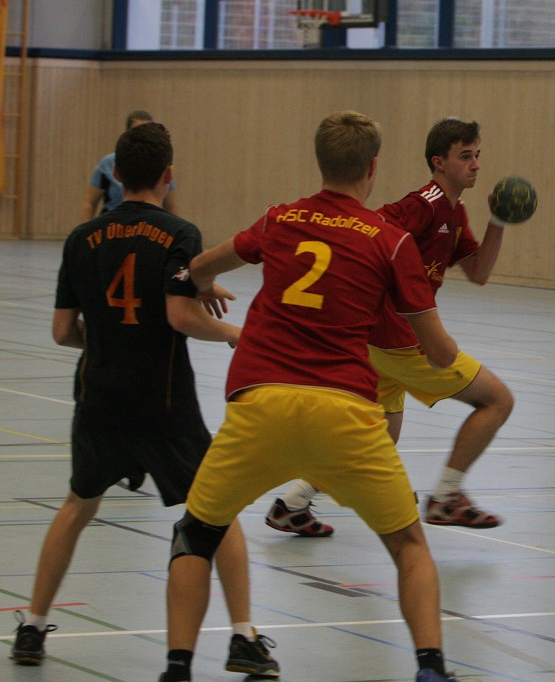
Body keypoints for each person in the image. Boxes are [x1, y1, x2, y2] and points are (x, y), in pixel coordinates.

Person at [162, 111, 460, 682]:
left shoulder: (280, 220)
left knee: (195, 535)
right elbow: (439, 351)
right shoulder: (391, 240)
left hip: (262, 403)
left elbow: (200, 267)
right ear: (373, 167)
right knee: (407, 544)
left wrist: (195, 284)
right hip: (345, 413)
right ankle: (432, 669)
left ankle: (176, 670)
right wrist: (444, 358)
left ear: (321, 163)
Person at [11, 122, 276, 679]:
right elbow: (180, 316)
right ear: (167, 174)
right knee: (216, 512)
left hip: (99, 397)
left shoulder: (81, 238)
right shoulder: (179, 232)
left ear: (115, 174)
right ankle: (244, 637)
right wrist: (233, 334)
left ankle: (32, 626)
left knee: (77, 504)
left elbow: (63, 332)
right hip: (163, 403)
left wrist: (110, 336)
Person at [266, 118, 514, 535]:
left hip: (380, 342)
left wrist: (499, 221)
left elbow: (478, 272)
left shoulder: (454, 210)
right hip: (402, 342)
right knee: (497, 401)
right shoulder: (424, 203)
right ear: (439, 162)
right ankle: (448, 496)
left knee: (378, 438)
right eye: (465, 157)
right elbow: (371, 228)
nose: (475, 165)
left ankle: (292, 504)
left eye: (477, 156)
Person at [83, 110, 178, 221]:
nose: (143, 138)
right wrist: (85, 230)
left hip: (150, 226)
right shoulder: (107, 163)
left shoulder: (161, 163)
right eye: (137, 132)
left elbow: (171, 206)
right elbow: (90, 202)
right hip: (112, 225)